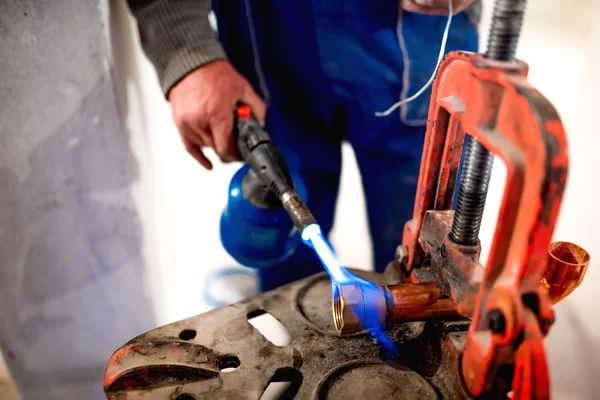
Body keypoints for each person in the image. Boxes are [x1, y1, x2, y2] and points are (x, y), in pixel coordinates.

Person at [126, 0, 480, 291]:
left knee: (427, 260)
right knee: (281, 256)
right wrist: (185, 50)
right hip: (268, 39)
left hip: (418, 39)